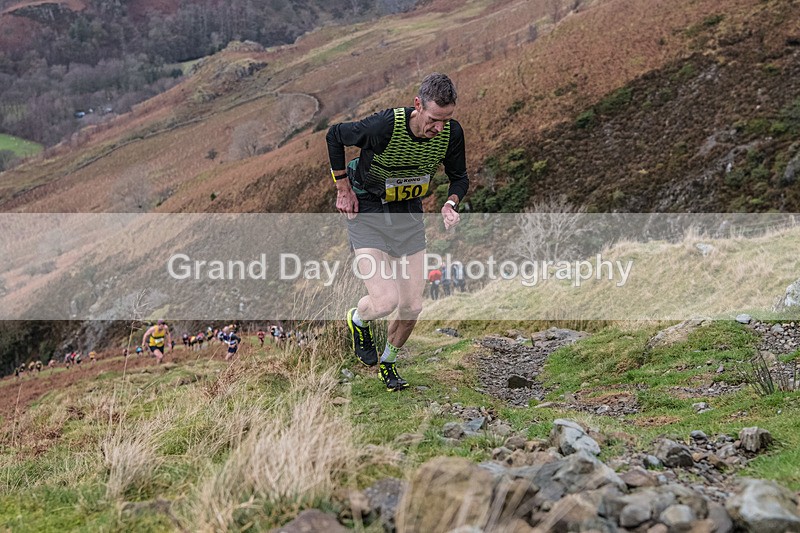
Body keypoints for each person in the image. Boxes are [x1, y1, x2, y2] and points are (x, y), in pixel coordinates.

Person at [326, 73, 468, 391]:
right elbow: (335, 136)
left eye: (447, 120)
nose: (439, 128)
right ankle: (359, 320)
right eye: (434, 120)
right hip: (368, 210)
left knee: (412, 307)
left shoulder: (451, 134)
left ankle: (388, 364)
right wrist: (343, 188)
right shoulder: (385, 126)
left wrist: (450, 202)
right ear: (418, 105)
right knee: (386, 301)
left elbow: (460, 176)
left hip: (407, 214)